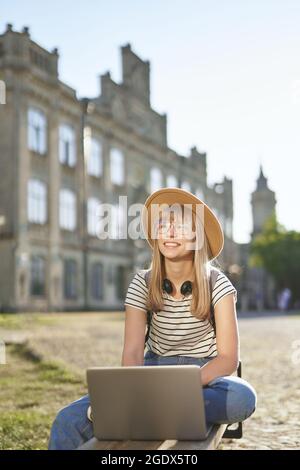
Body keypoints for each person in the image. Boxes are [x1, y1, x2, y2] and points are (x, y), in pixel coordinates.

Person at [48, 187, 257, 450]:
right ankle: (162, 413)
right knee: (66, 420)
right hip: (152, 374)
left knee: (243, 397)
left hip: (204, 377)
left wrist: (184, 389)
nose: (170, 233)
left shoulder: (218, 284)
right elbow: (133, 352)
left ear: (198, 237)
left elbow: (228, 358)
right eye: (163, 224)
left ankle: (153, 414)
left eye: (181, 226)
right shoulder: (142, 283)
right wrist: (135, 392)